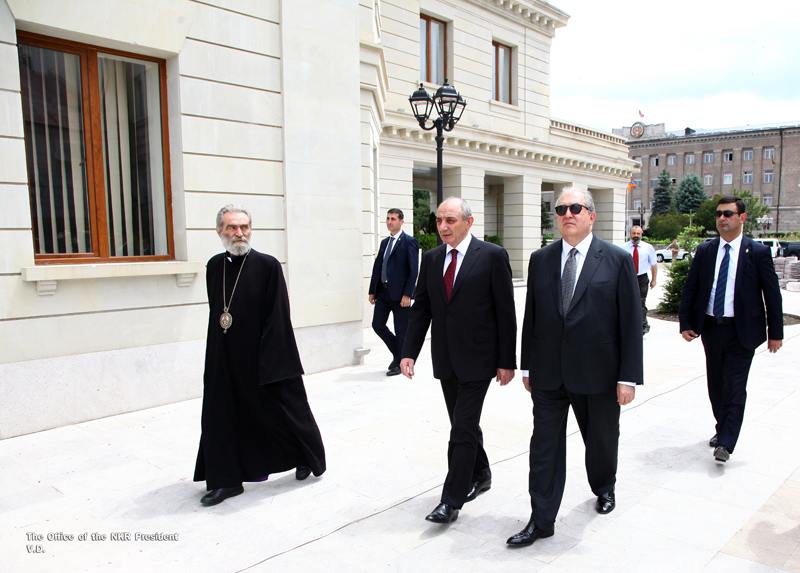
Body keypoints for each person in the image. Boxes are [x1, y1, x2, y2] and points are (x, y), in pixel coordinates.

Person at [508, 188, 642, 547]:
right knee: (544, 446)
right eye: (561, 209)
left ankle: (604, 486)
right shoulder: (541, 259)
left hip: (598, 373)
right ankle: (542, 518)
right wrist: (526, 367)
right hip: (549, 374)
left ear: (591, 215)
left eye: (576, 208)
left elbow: (630, 321)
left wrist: (627, 377)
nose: (568, 213)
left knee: (600, 440)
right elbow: (531, 316)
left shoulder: (615, 259)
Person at [194, 205, 326, 506]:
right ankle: (226, 480)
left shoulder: (267, 266)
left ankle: (305, 455)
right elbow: (219, 313)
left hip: (263, 357)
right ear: (219, 232)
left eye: (244, 227)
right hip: (223, 358)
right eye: (231, 228)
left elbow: (278, 316)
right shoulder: (214, 267)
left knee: (282, 412)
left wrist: (270, 364)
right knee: (220, 416)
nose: (239, 233)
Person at [400, 197, 516, 524]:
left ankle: (451, 500)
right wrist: (408, 352)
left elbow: (506, 313)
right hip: (446, 359)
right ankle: (482, 473)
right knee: (462, 425)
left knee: (461, 429)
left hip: (480, 360)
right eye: (439, 221)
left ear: (469, 221)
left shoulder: (492, 256)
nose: (443, 227)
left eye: (450, 220)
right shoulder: (433, 258)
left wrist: (507, 360)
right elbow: (421, 309)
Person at [679, 196, 783, 463]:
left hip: (742, 331)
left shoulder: (757, 252)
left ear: (742, 218)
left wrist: (776, 332)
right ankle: (722, 427)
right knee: (716, 386)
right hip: (712, 329)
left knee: (735, 387)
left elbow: (772, 294)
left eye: (728, 214)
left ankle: (726, 441)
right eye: (719, 214)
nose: (722, 219)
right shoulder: (706, 251)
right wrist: (687, 323)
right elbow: (691, 289)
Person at [368, 209, 419, 376]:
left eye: (393, 219)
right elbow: (378, 267)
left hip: (400, 296)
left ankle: (398, 363)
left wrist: (407, 294)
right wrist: (372, 291)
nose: (390, 222)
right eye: (388, 219)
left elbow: (413, 270)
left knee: (401, 330)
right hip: (383, 293)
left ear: (401, 222)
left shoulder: (409, 242)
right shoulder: (384, 243)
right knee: (377, 325)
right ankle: (398, 354)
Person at [623, 225, 658, 334]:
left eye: (638, 234)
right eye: (634, 233)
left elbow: (654, 264)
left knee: (641, 302)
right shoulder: (623, 247)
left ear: (641, 235)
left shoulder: (648, 248)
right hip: (628, 278)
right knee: (628, 302)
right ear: (630, 234)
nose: (636, 236)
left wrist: (654, 280)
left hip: (642, 278)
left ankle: (642, 326)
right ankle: (630, 324)